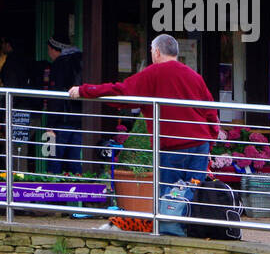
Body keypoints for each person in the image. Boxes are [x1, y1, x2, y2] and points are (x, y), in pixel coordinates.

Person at [73, 34, 219, 233]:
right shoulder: (194, 76)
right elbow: (211, 111)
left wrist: (85, 90)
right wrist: (210, 140)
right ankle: (194, 230)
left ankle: (171, 231)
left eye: (151, 51)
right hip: (199, 143)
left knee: (169, 192)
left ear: (157, 52)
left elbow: (121, 92)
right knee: (195, 191)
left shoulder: (154, 73)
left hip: (172, 145)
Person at [46, 38, 84, 174]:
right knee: (75, 161)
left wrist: (49, 124)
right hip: (81, 118)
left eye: (49, 50)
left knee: (52, 157)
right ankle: (79, 190)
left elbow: (54, 96)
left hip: (61, 119)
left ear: (54, 49)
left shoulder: (58, 64)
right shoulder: (83, 60)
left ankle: (50, 189)